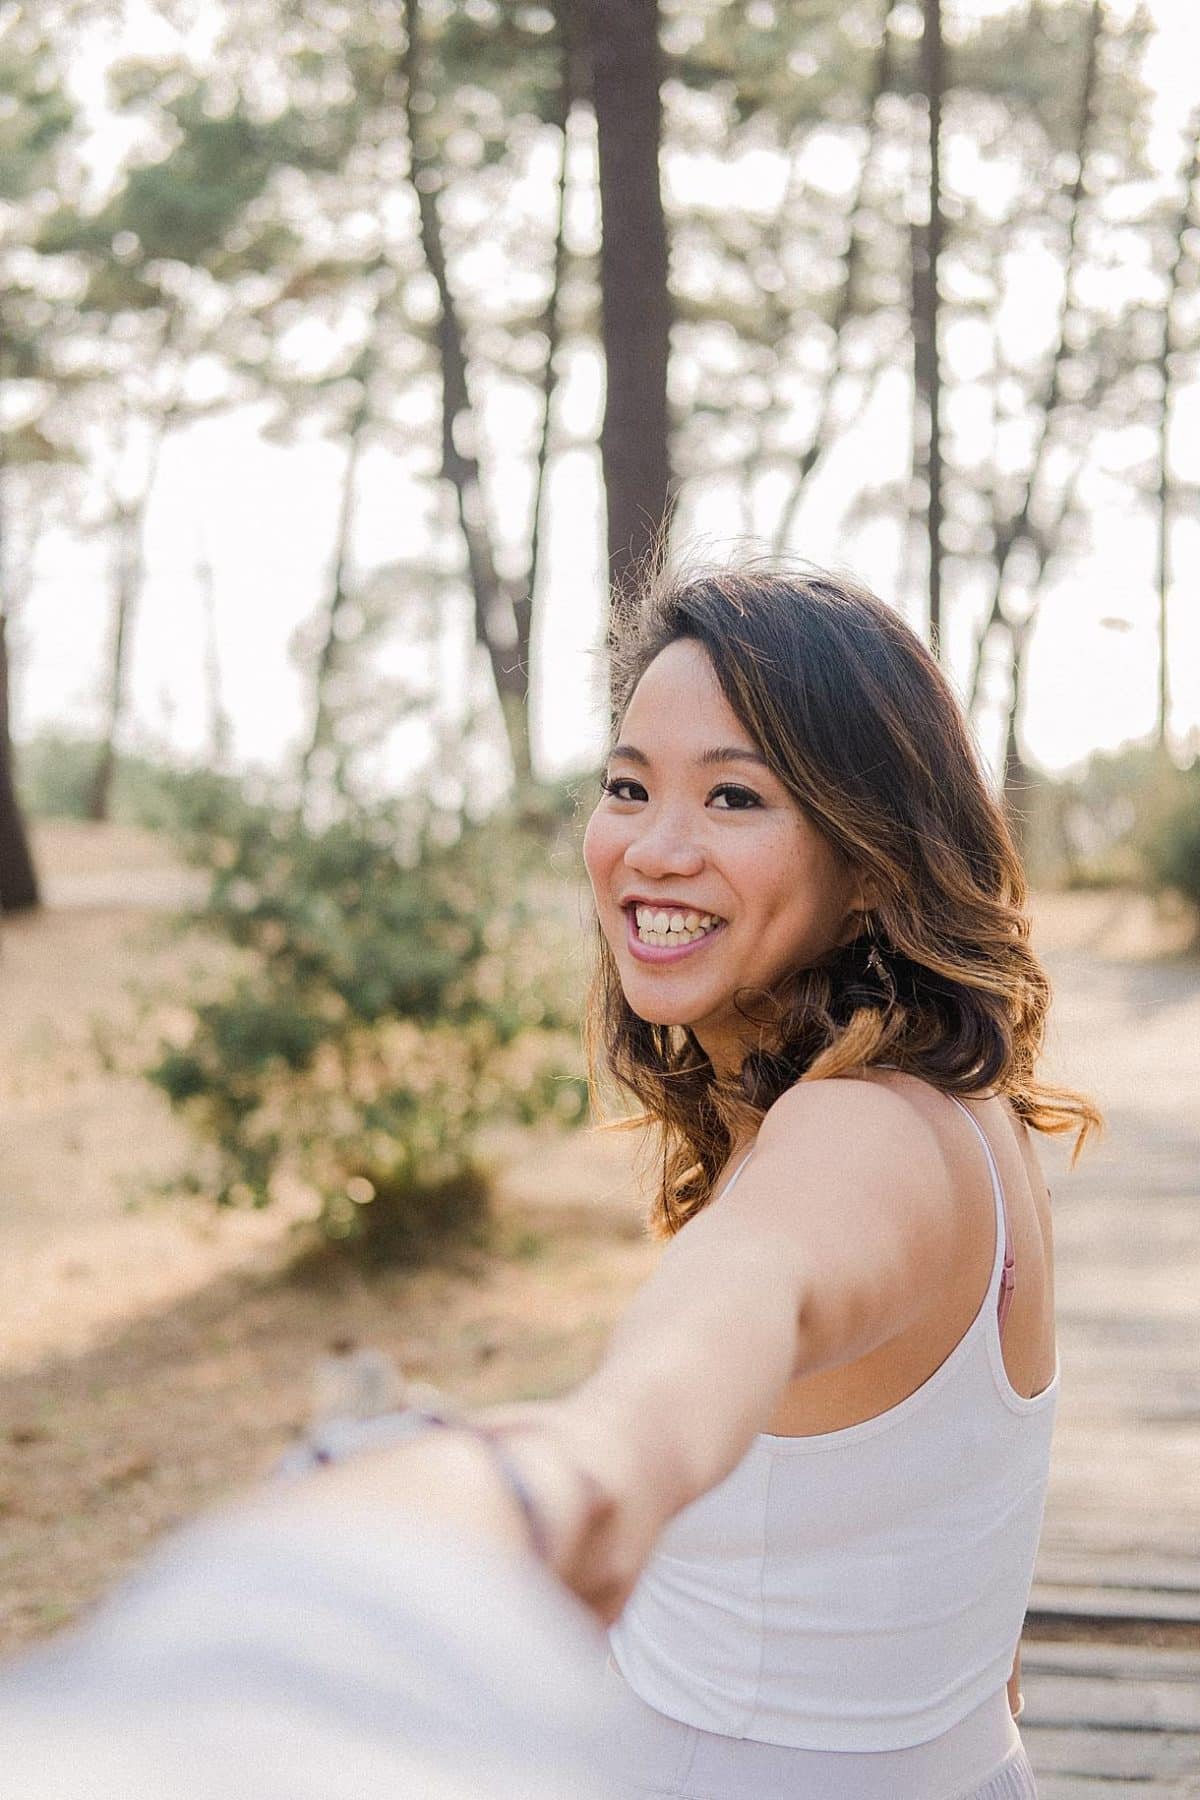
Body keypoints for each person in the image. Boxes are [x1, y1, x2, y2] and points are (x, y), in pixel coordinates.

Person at [1, 562, 1098, 1799]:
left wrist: (532, 1483)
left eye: (735, 795)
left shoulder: (855, 1140)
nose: (654, 848)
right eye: (628, 786)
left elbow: (687, 1366)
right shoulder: (964, 1114)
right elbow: (962, 1583)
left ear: (874, 858)